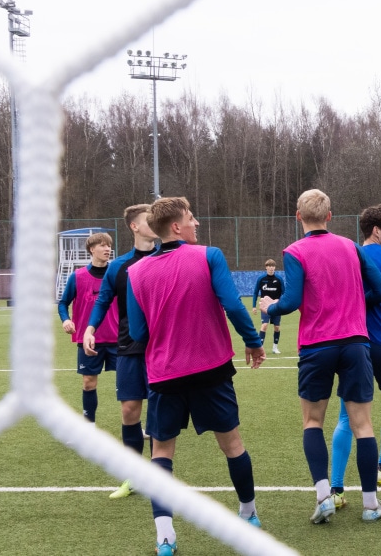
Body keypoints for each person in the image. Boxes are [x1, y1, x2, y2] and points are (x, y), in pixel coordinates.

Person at [126, 197, 266, 555]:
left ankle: (165, 538)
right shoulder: (208, 255)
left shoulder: (136, 272)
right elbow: (233, 304)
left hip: (163, 375)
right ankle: (248, 515)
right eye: (191, 217)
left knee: (161, 453)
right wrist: (253, 341)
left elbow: (139, 332)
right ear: (176, 226)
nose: (196, 223)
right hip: (211, 369)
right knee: (232, 444)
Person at [260, 189, 381, 524]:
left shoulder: (295, 251)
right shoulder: (350, 246)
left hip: (317, 345)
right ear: (330, 216)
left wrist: (269, 307)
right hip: (355, 343)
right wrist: (352, 304)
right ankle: (371, 505)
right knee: (362, 425)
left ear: (298, 215)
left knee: (313, 422)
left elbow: (290, 301)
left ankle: (324, 498)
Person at [330, 204, 381, 507]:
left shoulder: (351, 256)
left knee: (345, 417)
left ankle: (337, 491)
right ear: (377, 231)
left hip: (357, 345)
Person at [83, 204, 157, 500]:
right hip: (128, 346)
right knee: (129, 410)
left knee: (159, 414)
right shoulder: (118, 266)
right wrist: (90, 328)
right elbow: (103, 300)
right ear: (134, 227)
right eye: (148, 220)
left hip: (162, 347)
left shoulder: (168, 258)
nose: (154, 223)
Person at [57, 232, 118, 424]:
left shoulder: (117, 274)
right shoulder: (78, 277)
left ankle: (134, 426)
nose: (108, 249)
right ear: (92, 249)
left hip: (118, 339)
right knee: (88, 383)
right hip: (88, 341)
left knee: (127, 386)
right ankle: (88, 426)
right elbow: (62, 303)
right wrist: (66, 319)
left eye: (109, 245)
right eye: (102, 245)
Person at [251, 259, 285, 355]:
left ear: (275, 267)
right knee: (264, 325)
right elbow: (255, 292)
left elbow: (284, 292)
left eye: (273, 266)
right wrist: (254, 306)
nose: (271, 268)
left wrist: (280, 302)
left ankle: (275, 348)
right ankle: (259, 349)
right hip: (265, 307)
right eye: (269, 266)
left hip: (276, 307)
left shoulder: (279, 279)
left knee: (277, 327)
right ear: (266, 267)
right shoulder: (261, 279)